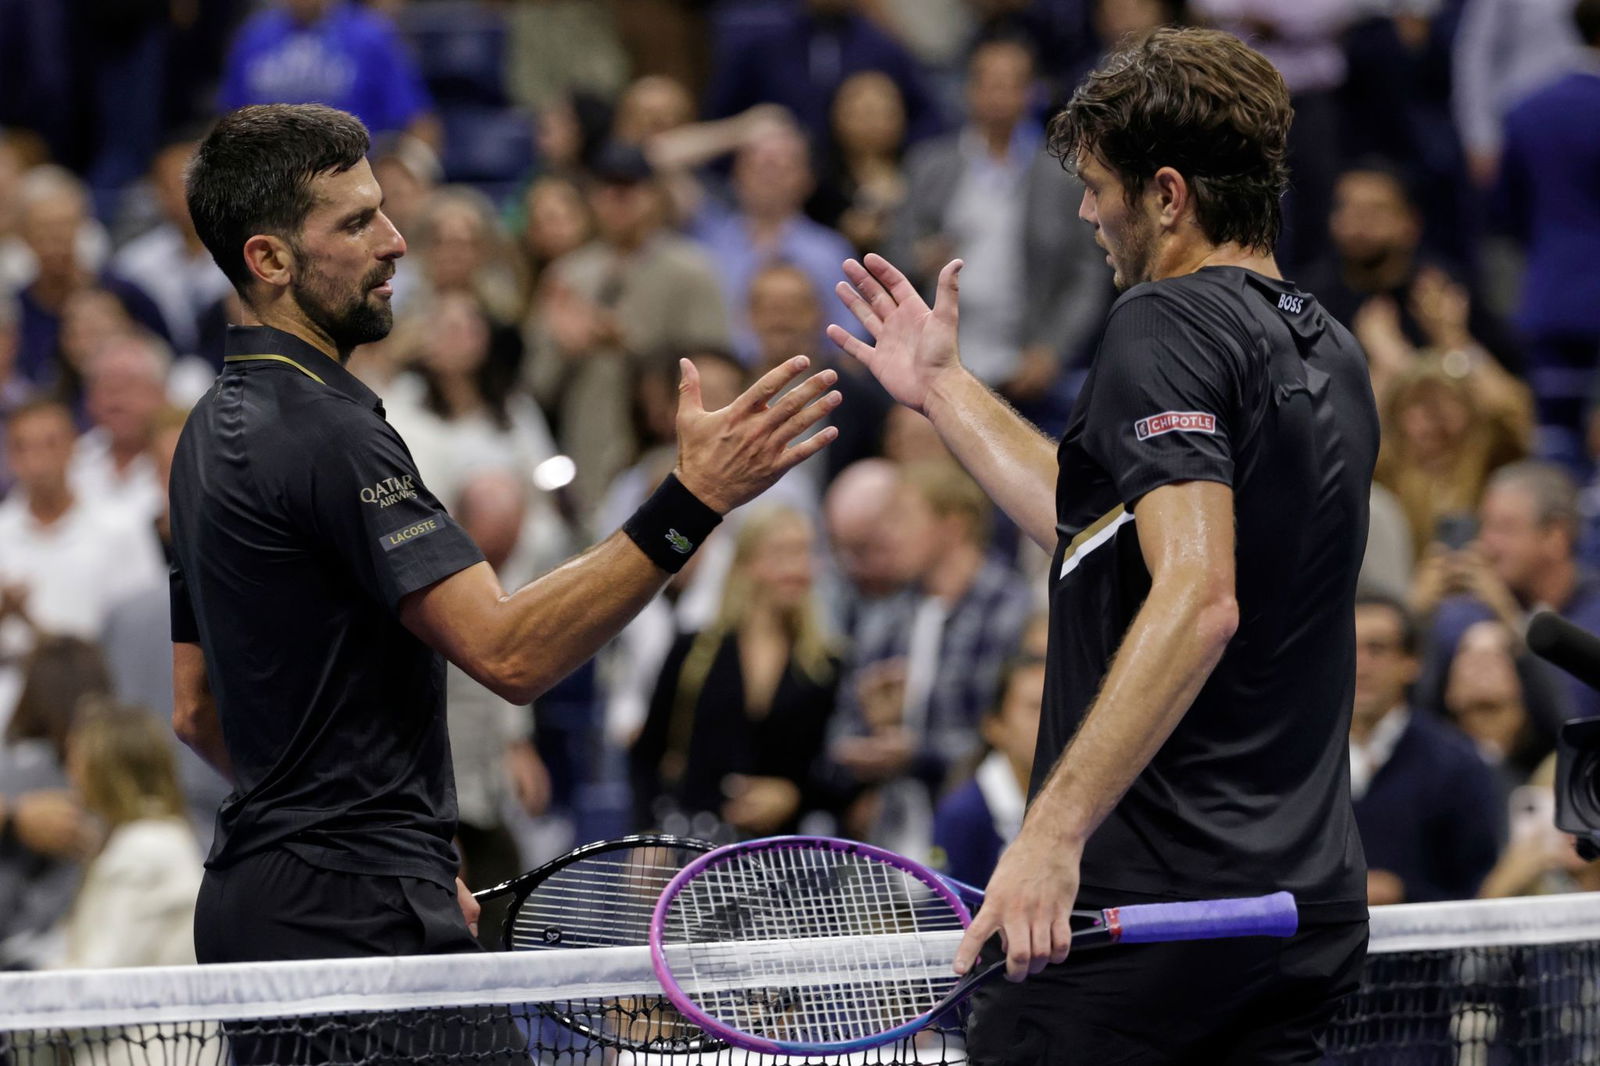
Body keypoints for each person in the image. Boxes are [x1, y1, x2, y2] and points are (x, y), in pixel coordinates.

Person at [170, 103, 837, 986]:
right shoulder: (332, 435)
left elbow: (194, 709)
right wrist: (695, 499)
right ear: (270, 259)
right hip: (358, 925)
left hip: (255, 907)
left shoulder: (203, 433)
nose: (396, 240)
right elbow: (511, 653)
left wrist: (371, 838)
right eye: (358, 221)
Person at [828, 28, 1376, 1061]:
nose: (1085, 212)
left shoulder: (1160, 321)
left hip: (1154, 916)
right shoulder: (1326, 348)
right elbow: (1110, 533)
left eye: (1096, 186)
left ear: (1166, 195)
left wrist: (1049, 833)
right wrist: (944, 387)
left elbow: (1199, 595)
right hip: (1292, 915)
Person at [630, 506, 842, 839]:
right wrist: (646, 834)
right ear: (746, 563)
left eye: (807, 552)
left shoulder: (827, 665)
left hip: (788, 855)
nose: (799, 567)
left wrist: (793, 795)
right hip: (695, 848)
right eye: (783, 552)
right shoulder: (694, 651)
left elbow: (837, 773)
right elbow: (647, 753)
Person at [1348, 596, 1502, 905]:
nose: (1361, 665)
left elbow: (1479, 890)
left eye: (1376, 649)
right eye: (1349, 647)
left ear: (1411, 663)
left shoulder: (1456, 763)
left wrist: (1403, 895)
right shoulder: (1301, 762)